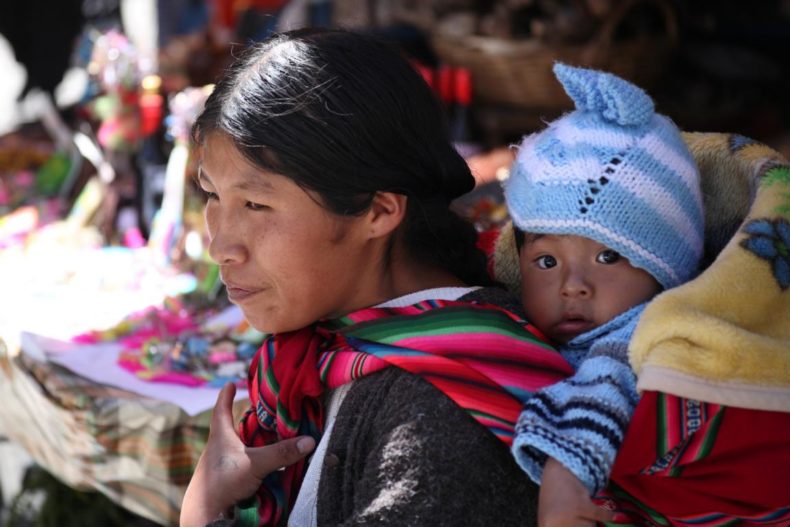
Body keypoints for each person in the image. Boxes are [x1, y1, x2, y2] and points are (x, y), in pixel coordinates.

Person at [179, 28, 577, 527]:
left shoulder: (441, 420)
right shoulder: (328, 349)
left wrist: (202, 513)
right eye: (213, 195)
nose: (221, 245)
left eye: (256, 204)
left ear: (379, 211)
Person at [502, 63, 705, 526]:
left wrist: (564, 482)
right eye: (547, 262)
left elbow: (602, 391)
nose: (573, 285)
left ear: (664, 269)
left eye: (608, 257)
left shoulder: (645, 332)